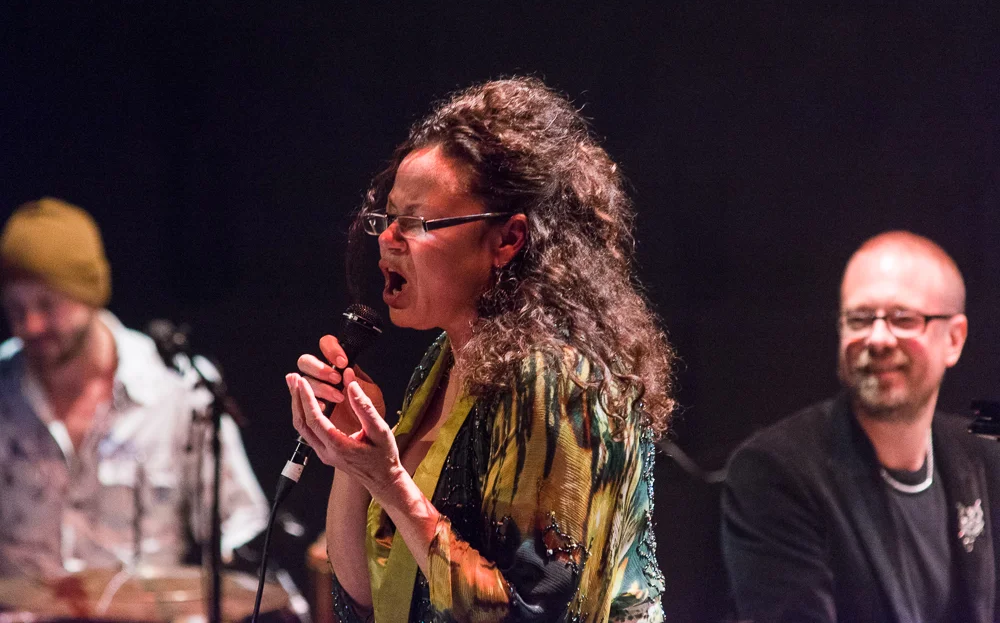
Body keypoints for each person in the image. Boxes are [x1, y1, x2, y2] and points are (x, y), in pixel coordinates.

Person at [286, 77, 675, 622]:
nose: (388, 238)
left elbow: (531, 612)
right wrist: (353, 461)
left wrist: (391, 483)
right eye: (388, 218)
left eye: (415, 222)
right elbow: (371, 596)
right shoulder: (444, 361)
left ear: (507, 240)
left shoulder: (558, 380)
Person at [721, 231, 1000, 623]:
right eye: (860, 319)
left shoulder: (986, 456)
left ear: (954, 339)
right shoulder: (774, 472)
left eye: (903, 319)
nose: (878, 338)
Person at [0, 197, 269, 579]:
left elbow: (241, 524)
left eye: (47, 305)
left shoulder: (178, 387)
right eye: (15, 309)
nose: (30, 325)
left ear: (89, 293)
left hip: (142, 606)